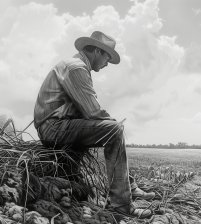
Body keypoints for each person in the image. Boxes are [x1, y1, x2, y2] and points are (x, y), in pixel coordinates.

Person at [33, 31, 154, 218]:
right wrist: (114, 122)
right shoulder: (76, 68)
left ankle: (130, 186)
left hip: (58, 125)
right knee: (114, 130)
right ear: (97, 51)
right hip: (54, 128)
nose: (107, 63)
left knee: (112, 128)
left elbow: (86, 111)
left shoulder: (75, 66)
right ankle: (121, 205)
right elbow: (92, 111)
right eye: (107, 57)